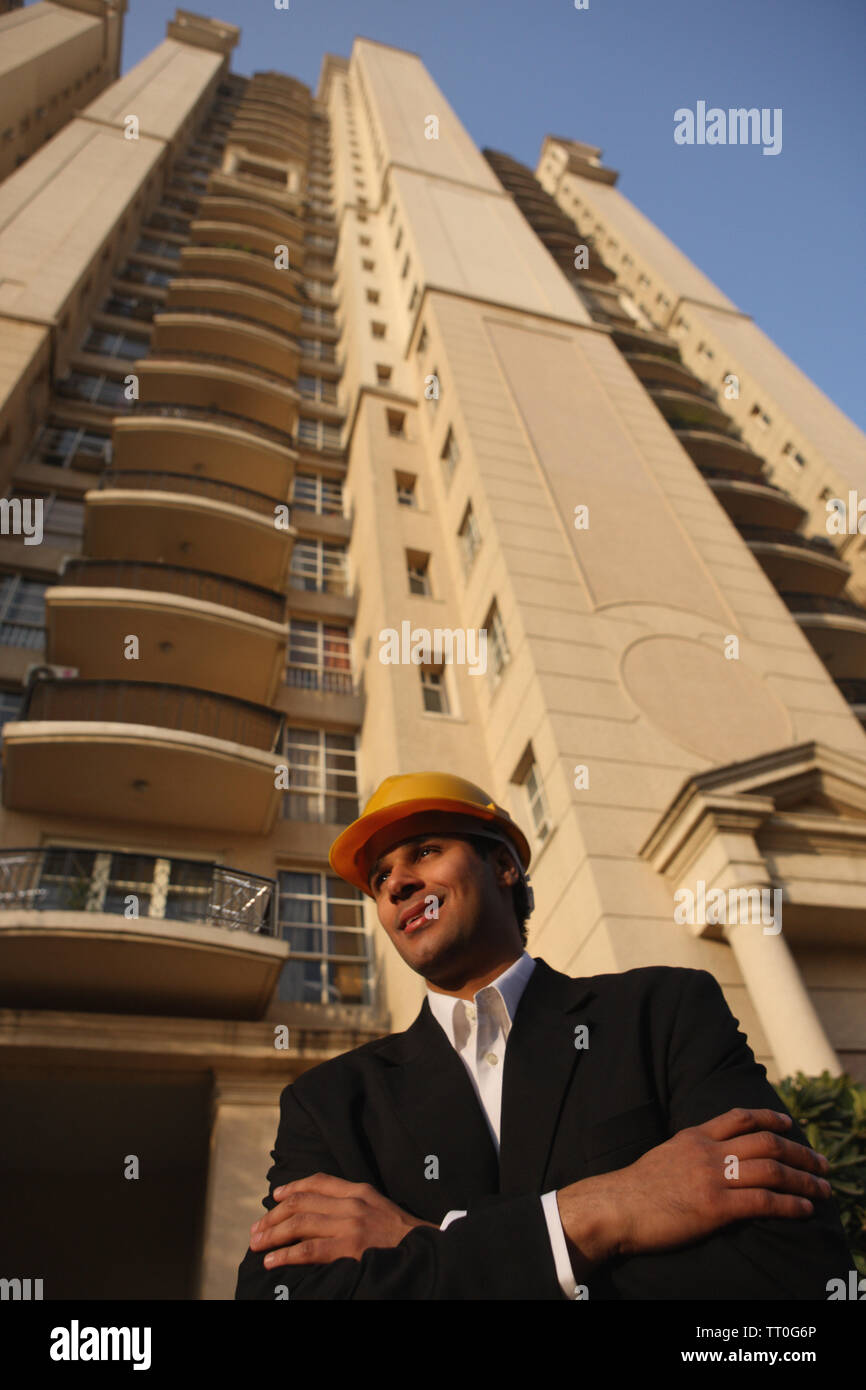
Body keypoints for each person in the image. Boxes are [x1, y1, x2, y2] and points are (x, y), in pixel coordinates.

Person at [235, 772, 852, 1299]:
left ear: (504, 864)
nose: (396, 883)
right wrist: (603, 1210)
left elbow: (791, 1268)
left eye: (423, 851)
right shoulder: (328, 1102)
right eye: (380, 877)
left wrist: (419, 1244)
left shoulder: (662, 1012)